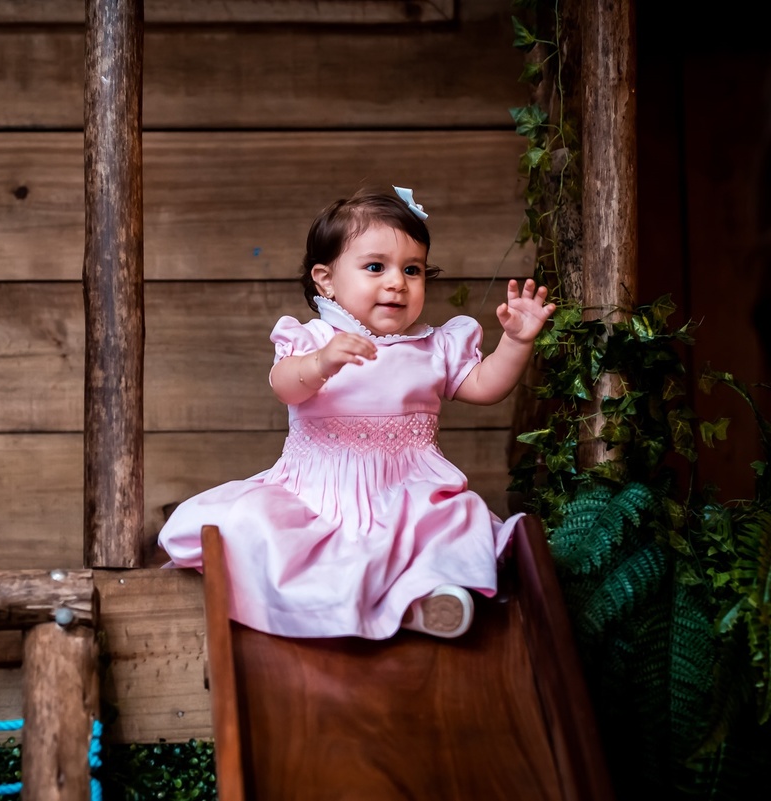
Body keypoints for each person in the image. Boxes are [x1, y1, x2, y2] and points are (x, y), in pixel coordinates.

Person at [157, 186, 556, 639]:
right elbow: (285, 386)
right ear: (325, 279)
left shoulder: (434, 346)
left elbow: (485, 387)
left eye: (413, 269)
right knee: (258, 524)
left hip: (409, 490)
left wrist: (517, 341)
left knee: (456, 518)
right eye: (375, 267)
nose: (397, 282)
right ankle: (336, 607)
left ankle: (421, 605)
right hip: (317, 491)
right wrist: (321, 363)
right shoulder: (311, 339)